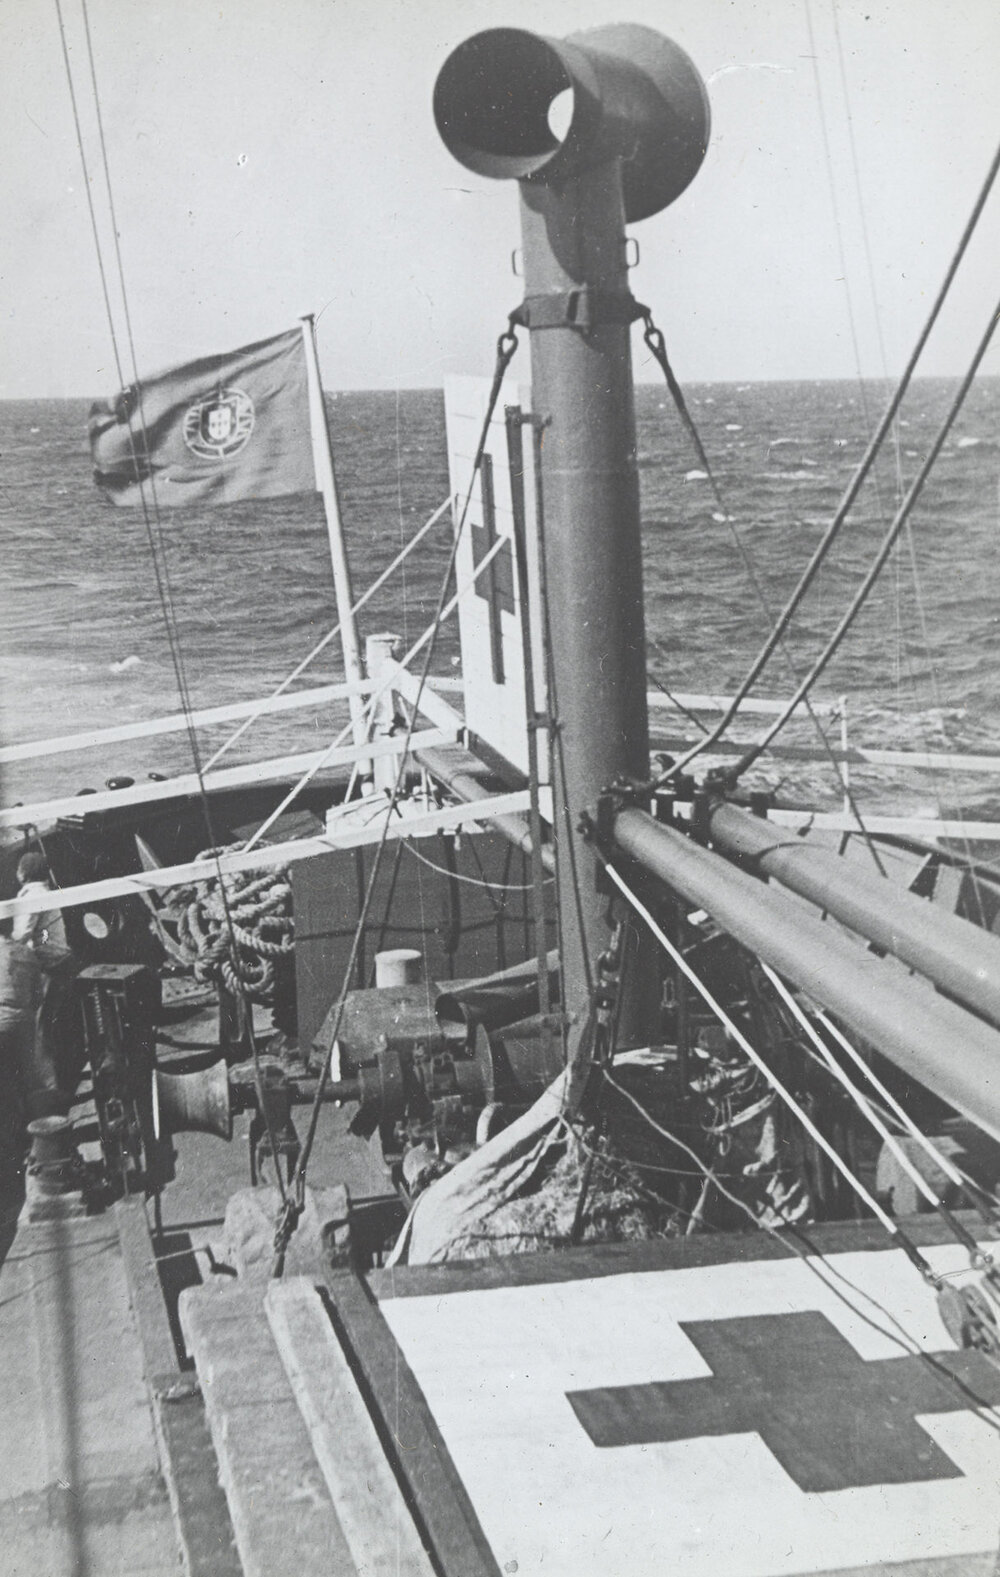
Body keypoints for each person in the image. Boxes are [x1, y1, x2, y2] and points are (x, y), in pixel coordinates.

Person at [12, 852, 77, 1108]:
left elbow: (23, 933)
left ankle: (53, 1091)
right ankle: (61, 1083)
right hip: (62, 963)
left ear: (23, 873)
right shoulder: (44, 892)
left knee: (42, 1031)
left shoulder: (33, 897)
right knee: (55, 1028)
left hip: (52, 968)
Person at [0, 921, 43, 1178]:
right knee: (24, 1083)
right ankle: (30, 1142)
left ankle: (9, 1147)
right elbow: (37, 997)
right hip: (23, 1026)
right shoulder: (27, 954)